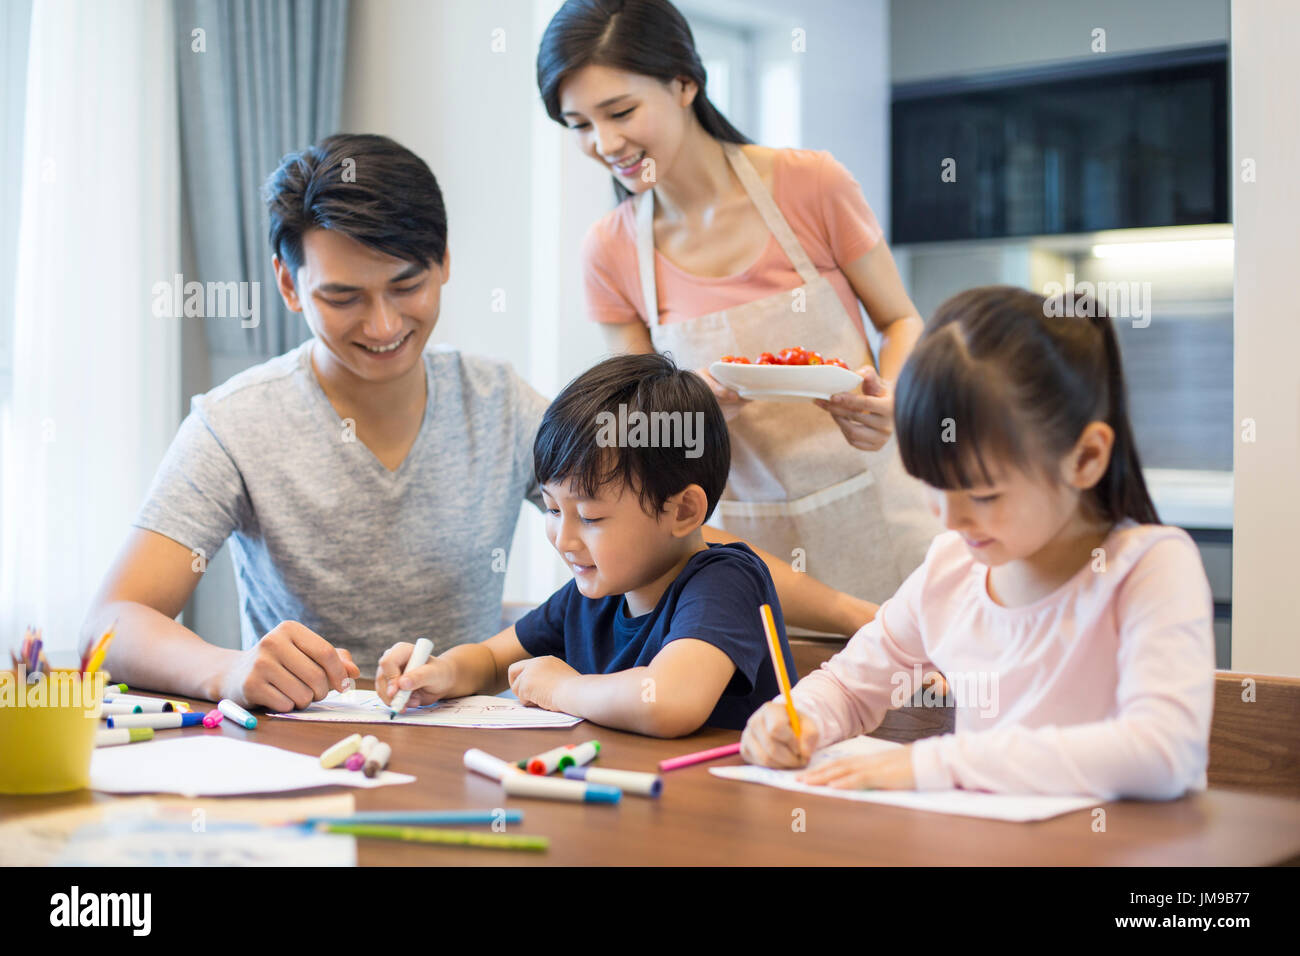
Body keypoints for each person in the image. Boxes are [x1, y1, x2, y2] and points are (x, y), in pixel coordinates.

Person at [83, 133, 871, 711]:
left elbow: (674, 534)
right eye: (342, 297)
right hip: (303, 745)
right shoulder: (233, 425)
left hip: (466, 737)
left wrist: (855, 617)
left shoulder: (499, 405)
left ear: (445, 261)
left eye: (407, 285)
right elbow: (111, 624)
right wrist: (225, 671)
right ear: (289, 285)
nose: (384, 323)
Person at [537, 0, 943, 603]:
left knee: (908, 683)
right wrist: (685, 409)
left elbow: (900, 318)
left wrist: (893, 399)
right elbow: (633, 426)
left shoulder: (812, 184)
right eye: (579, 125)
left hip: (877, 512)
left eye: (620, 111)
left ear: (684, 82)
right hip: (735, 546)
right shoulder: (610, 249)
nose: (605, 142)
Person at [741, 287, 1215, 800]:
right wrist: (795, 718)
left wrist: (936, 763)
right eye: (931, 483)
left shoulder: (1148, 568)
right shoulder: (952, 567)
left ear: (1085, 458)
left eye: (984, 493)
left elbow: (1164, 751)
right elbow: (849, 687)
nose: (950, 516)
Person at [376, 353, 797, 736]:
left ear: (684, 510)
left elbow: (668, 700)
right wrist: (439, 672)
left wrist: (564, 689)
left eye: (591, 517)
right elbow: (489, 661)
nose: (564, 538)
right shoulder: (594, 592)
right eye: (552, 509)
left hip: (715, 812)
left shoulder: (725, 583)